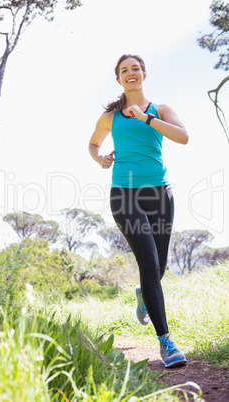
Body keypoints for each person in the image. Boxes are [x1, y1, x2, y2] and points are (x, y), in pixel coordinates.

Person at [89, 54, 189, 368]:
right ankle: (166, 343)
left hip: (160, 194)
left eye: (135, 69)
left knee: (157, 268)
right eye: (124, 71)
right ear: (118, 79)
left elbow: (183, 137)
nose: (130, 74)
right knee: (148, 261)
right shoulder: (111, 115)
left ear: (143, 74)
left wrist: (146, 118)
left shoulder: (161, 110)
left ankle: (142, 294)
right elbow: (93, 144)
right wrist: (101, 159)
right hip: (124, 195)